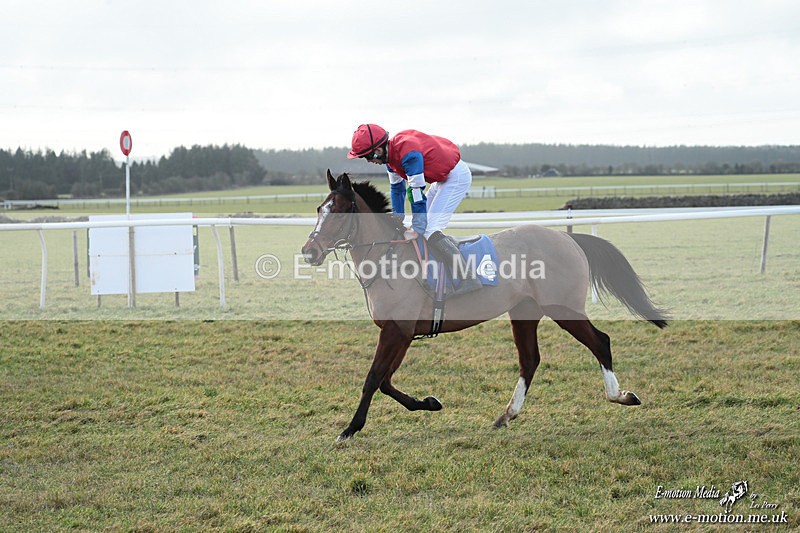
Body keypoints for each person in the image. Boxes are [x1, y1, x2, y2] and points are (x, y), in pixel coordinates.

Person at [347, 123, 480, 292]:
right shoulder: (390, 159)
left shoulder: (408, 155)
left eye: (367, 157)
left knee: (429, 228)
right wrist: (397, 217)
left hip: (455, 177)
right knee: (424, 228)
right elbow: (397, 189)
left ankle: (469, 278)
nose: (369, 161)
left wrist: (417, 227)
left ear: (378, 151)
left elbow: (417, 194)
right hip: (441, 179)